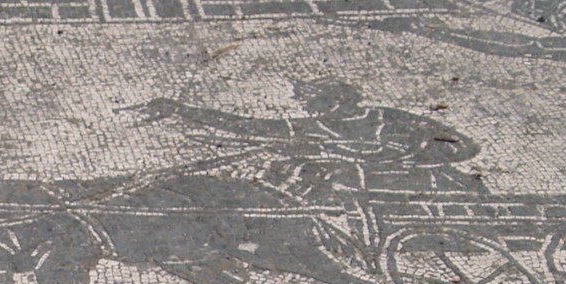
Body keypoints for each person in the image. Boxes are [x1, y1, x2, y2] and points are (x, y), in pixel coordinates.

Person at [138, 80, 483, 200]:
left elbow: (463, 146)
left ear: (336, 99)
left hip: (417, 181)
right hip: (359, 180)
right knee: (285, 169)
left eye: (312, 100)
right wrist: (182, 110)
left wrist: (391, 156)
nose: (306, 106)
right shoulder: (314, 126)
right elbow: (251, 127)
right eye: (306, 102)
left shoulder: (385, 118)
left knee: (321, 170)